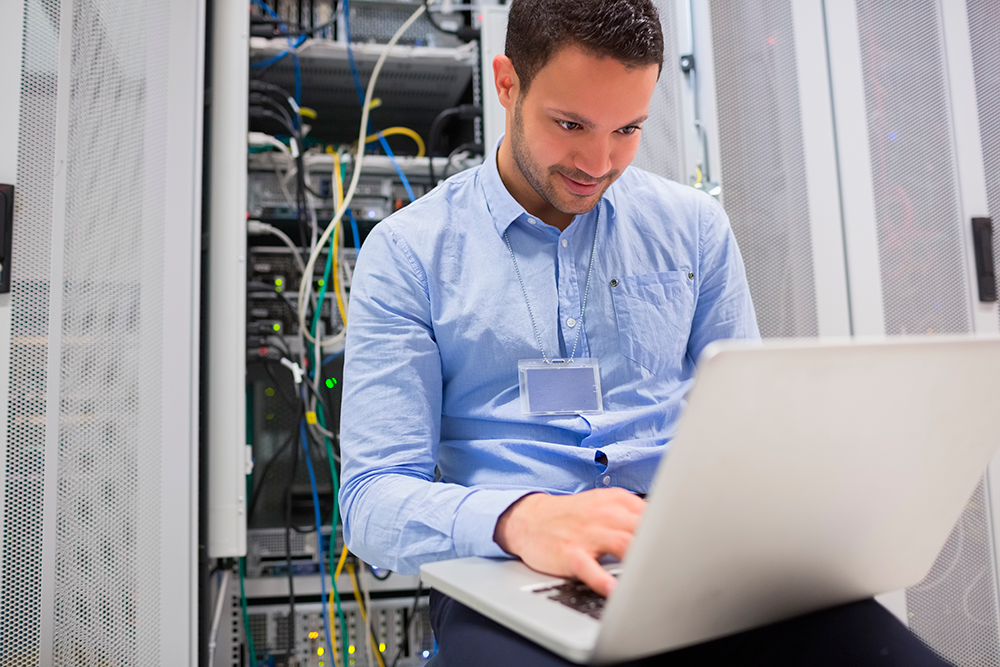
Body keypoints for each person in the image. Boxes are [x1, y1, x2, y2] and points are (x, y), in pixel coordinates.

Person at [339, 0, 951, 664]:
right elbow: (370, 502)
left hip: (690, 556)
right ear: (508, 83)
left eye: (628, 129)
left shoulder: (693, 228)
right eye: (570, 124)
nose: (599, 162)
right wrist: (519, 518)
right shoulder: (409, 253)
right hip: (512, 565)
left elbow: (750, 436)